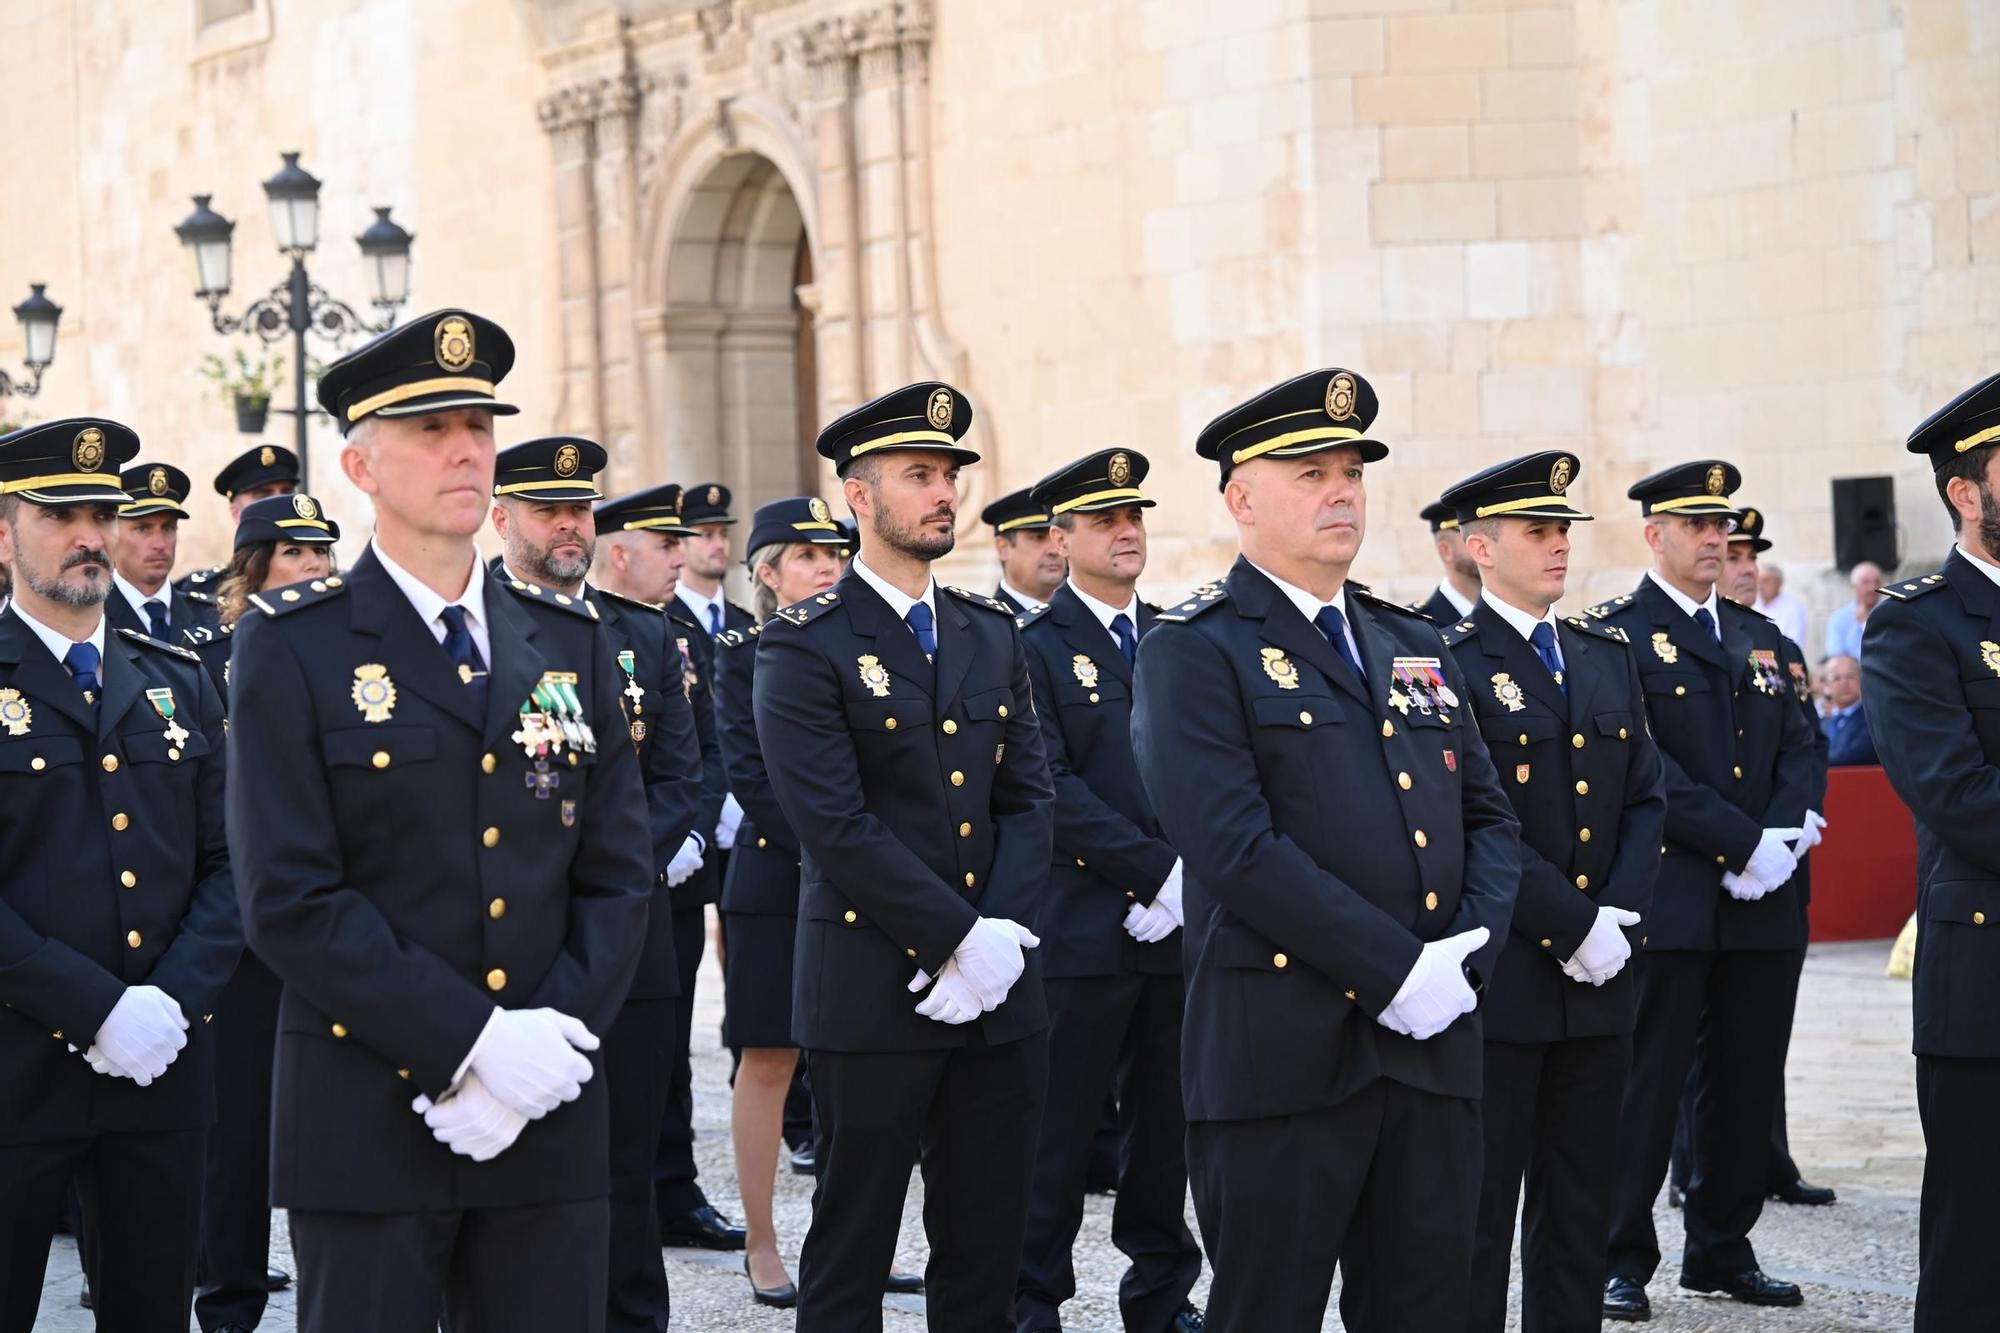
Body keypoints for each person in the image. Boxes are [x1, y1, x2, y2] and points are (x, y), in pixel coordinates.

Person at [227, 309, 654, 1331]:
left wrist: (539, 1051)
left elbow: (614, 869)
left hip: (546, 1109)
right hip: (371, 1114)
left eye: (478, 425)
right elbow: (289, 896)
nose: (467, 448)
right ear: (361, 467)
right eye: (431, 429)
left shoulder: (565, 640)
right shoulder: (294, 646)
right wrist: (469, 1043)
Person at [1132, 368, 1521, 1332]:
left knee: (1430, 1308)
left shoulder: (1409, 640)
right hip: (1283, 1054)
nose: (1341, 489)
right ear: (1242, 498)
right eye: (1311, 471)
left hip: (1431, 1047)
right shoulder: (1195, 648)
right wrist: (1397, 971)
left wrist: (1463, 958)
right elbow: (1233, 846)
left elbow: (1491, 819)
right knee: (1270, 1309)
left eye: (1351, 470)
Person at [754, 381, 1056, 1332]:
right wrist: (957, 940)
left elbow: (1029, 797)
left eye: (949, 475)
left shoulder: (988, 631)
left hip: (998, 989)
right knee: (853, 1247)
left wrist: (995, 942)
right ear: (858, 495)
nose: (942, 493)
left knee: (985, 1247)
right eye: (918, 474)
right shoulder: (806, 644)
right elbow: (836, 824)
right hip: (873, 984)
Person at [0, 417, 239, 1333]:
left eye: (102, 510)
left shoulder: (178, 679)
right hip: (17, 1072)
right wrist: (95, 1008)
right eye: (60, 512)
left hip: (161, 1068)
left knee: (152, 1316)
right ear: (6, 530)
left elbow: (230, 865)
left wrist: (171, 1003)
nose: (90, 533)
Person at [1432, 451, 1666, 1333]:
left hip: (1603, 978)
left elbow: (1648, 797)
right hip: (1510, 983)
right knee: (1482, 1212)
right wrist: (1571, 923)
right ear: (1481, 548)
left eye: (1564, 530)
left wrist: (1617, 921)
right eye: (1538, 532)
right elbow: (1469, 818)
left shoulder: (1605, 656)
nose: (1559, 547)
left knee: (1579, 1210)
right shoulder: (1446, 659)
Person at [1586, 461, 1819, 1322]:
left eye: (1722, 527)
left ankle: (1721, 1244)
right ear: (1655, 535)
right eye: (1696, 525)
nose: (1716, 539)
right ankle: (1618, 1253)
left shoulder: (1764, 639)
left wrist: (1784, 834)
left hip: (1765, 897)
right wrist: (1740, 840)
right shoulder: (1615, 638)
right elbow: (1644, 765)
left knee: (1744, 1079)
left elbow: (1804, 744)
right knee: (1646, 1083)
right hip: (1676, 892)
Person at [492, 438, 706, 1332]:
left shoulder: (644, 633)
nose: (570, 525)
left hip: (629, 936)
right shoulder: (475, 625)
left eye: (580, 508)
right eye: (549, 510)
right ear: (503, 519)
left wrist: (610, 876)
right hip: (514, 940)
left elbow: (676, 782)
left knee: (627, 1159)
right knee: (515, 1160)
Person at [1013, 448, 1203, 1333]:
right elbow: (1048, 784)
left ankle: (1161, 1296)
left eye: (1134, 519)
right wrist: (1153, 871)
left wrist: (1187, 878)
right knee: (1055, 1134)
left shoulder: (1176, 639)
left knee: (1167, 1134)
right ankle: (1031, 1300)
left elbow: (1208, 773)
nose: (1126, 534)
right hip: (1084, 928)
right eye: (1103, 521)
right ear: (1062, 539)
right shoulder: (1030, 647)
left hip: (1177, 929)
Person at [1862, 368, 2000, 1331]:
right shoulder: (1916, 624)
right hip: (1986, 973)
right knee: (1976, 1240)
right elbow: (1958, 793)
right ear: (1967, 489)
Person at [185, 491, 339, 1333]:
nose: (313, 567)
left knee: (340, 1120)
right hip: (243, 924)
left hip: (332, 917)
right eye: (294, 553)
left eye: (320, 553)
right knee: (239, 1124)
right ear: (254, 567)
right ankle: (231, 1295)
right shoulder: (205, 658)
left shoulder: (357, 654)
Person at [593, 484, 744, 1254]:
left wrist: (680, 833)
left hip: (662, 874)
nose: (683, 555)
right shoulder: (565, 625)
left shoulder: (659, 633)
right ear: (619, 551)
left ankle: (669, 1190)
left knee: (664, 1049)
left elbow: (692, 753)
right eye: (667, 543)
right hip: (601, 880)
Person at [714, 497, 848, 1308]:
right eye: (806, 555)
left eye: (834, 553)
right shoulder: (742, 653)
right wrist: (842, 853)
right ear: (767, 573)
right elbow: (751, 778)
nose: (827, 567)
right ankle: (762, 1244)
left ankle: (846, 1241)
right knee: (769, 1062)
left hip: (859, 886)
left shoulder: (869, 651)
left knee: (854, 1068)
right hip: (777, 883)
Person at [106, 463, 221, 639]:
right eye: (143, 529)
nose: (160, 544)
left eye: (168, 528)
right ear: (112, 534)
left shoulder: (213, 616)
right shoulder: (91, 618)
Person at [174, 445, 301, 597]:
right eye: (263, 496)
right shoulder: (204, 591)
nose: (279, 502)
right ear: (236, 512)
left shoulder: (320, 575)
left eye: (287, 492)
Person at [983, 486, 1065, 613]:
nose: (1054, 550)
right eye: (1038, 537)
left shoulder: (1083, 616)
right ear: (1003, 548)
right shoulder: (987, 624)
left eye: (1058, 537)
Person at [1419, 498, 1480, 622]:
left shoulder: (1512, 614)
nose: (1485, 545)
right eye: (1470, 536)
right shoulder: (1418, 626)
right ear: (1446, 550)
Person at [1820, 655, 1875, 765]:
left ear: (1861, 679)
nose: (1844, 683)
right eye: (1836, 678)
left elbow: (1854, 755)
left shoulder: (1872, 719)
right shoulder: (1822, 723)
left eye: (1850, 676)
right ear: (1827, 685)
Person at [1823, 560, 1884, 660]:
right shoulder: (1839, 619)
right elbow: (1835, 657)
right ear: (1855, 587)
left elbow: (1888, 652)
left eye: (1877, 582)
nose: (1873, 588)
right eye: (1866, 582)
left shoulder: (1891, 614)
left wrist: (1865, 624)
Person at [1755, 563, 1808, 648]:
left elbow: (1794, 642)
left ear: (1778, 583)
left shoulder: (1792, 608)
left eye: (1765, 581)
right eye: (1758, 581)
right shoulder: (1753, 604)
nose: (1760, 585)